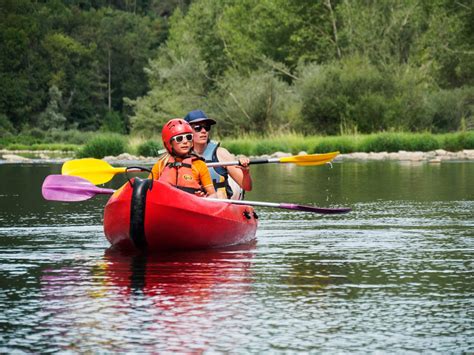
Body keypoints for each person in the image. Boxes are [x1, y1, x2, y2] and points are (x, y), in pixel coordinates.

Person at [183, 109, 252, 200]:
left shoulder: (221, 154)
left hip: (219, 206)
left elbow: (247, 187)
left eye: (207, 127)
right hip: (192, 203)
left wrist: (245, 172)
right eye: (198, 128)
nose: (203, 131)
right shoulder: (180, 155)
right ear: (187, 131)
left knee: (220, 194)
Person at [150, 118, 217, 198]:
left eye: (188, 137)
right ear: (169, 143)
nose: (185, 141)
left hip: (192, 205)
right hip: (166, 204)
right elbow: (148, 190)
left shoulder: (200, 165)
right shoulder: (160, 165)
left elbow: (213, 194)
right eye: (179, 139)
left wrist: (203, 199)